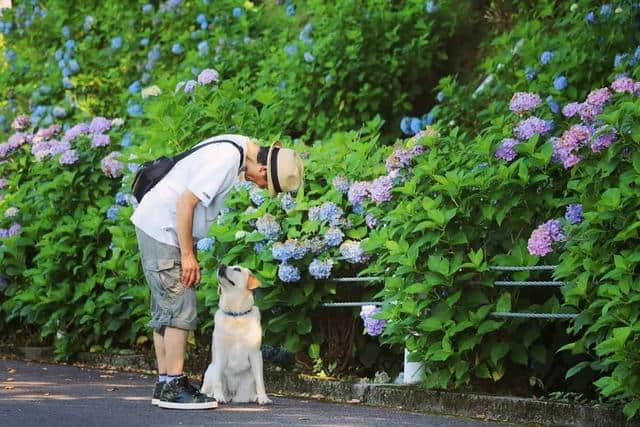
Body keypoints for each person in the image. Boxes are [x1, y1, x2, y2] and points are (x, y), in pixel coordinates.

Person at [131, 134, 304, 410]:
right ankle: (174, 385)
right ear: (262, 170)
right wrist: (187, 255)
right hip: (164, 229)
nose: (259, 186)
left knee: (165, 310)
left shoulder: (235, 146)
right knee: (179, 307)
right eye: (265, 184)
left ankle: (164, 382)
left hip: (157, 224)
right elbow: (185, 203)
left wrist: (190, 249)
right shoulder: (226, 160)